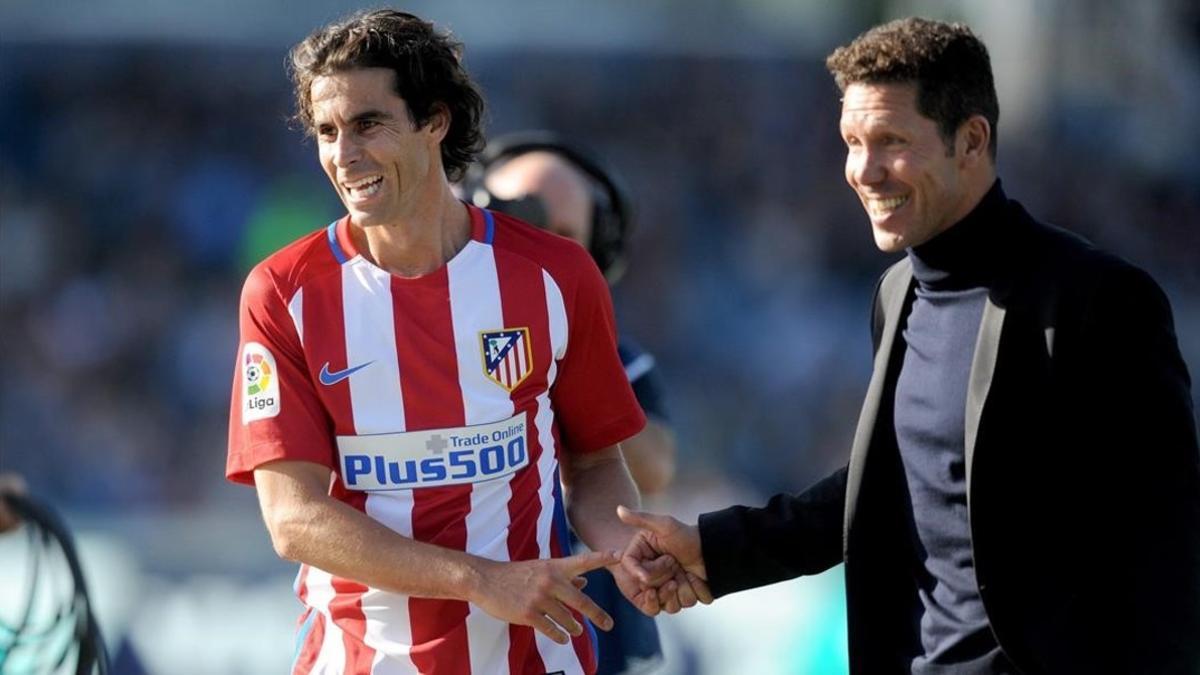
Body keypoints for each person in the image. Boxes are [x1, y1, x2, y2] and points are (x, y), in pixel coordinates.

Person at [618, 17, 1200, 675]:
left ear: (971, 140)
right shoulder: (896, 295)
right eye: (852, 141)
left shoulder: (1100, 301)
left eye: (891, 141)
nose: (864, 170)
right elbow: (892, 483)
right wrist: (714, 548)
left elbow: (1163, 552)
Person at [225, 10, 669, 674]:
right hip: (360, 660)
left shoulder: (558, 274)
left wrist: (627, 552)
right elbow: (293, 519)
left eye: (368, 124)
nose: (343, 155)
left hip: (539, 657)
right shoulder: (282, 292)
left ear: (435, 120)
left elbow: (600, 464)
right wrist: (479, 578)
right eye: (326, 131)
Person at [464, 133, 678, 675]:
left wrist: (574, 369)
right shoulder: (437, 347)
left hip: (597, 624)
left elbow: (654, 467)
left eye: (563, 239)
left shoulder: (614, 354)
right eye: (523, 226)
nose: (542, 255)